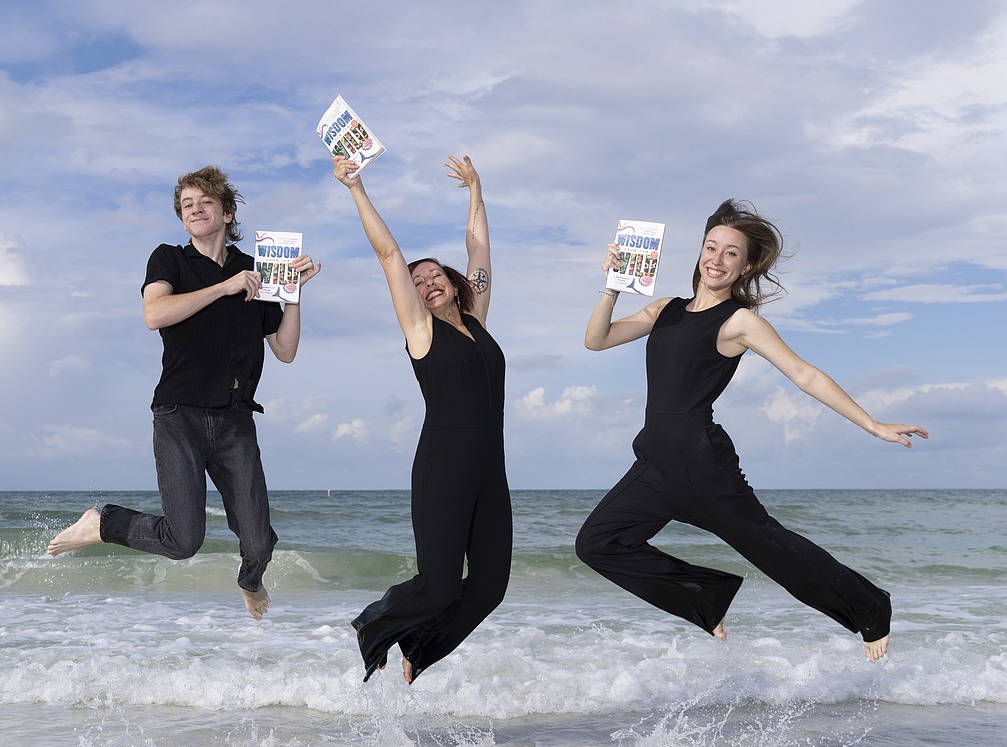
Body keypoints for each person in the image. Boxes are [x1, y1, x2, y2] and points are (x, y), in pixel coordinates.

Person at [575, 199, 928, 662]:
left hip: (702, 468)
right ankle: (703, 596)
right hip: (655, 465)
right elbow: (596, 340)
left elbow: (805, 375)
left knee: (774, 550)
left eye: (730, 253)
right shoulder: (665, 309)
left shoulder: (739, 321)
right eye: (711, 247)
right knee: (597, 543)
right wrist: (612, 288)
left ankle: (870, 605)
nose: (716, 260)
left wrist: (873, 424)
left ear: (745, 266)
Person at [47, 166, 321, 621]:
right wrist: (224, 288)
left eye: (205, 202)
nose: (194, 209)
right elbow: (154, 314)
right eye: (187, 204)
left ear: (227, 212)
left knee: (258, 542)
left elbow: (286, 351)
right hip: (180, 413)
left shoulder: (256, 270)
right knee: (184, 541)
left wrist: (291, 295)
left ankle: (250, 581)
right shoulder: (169, 259)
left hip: (235, 417)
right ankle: (102, 523)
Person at [333, 153, 511, 684]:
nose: (428, 282)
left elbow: (479, 248)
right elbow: (388, 253)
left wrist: (476, 188)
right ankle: (373, 623)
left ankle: (418, 649)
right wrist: (355, 186)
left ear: (455, 285)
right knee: (437, 585)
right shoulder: (421, 332)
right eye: (419, 281)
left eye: (436, 275)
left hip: (489, 465)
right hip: (443, 463)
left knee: (488, 588)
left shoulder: (477, 321)